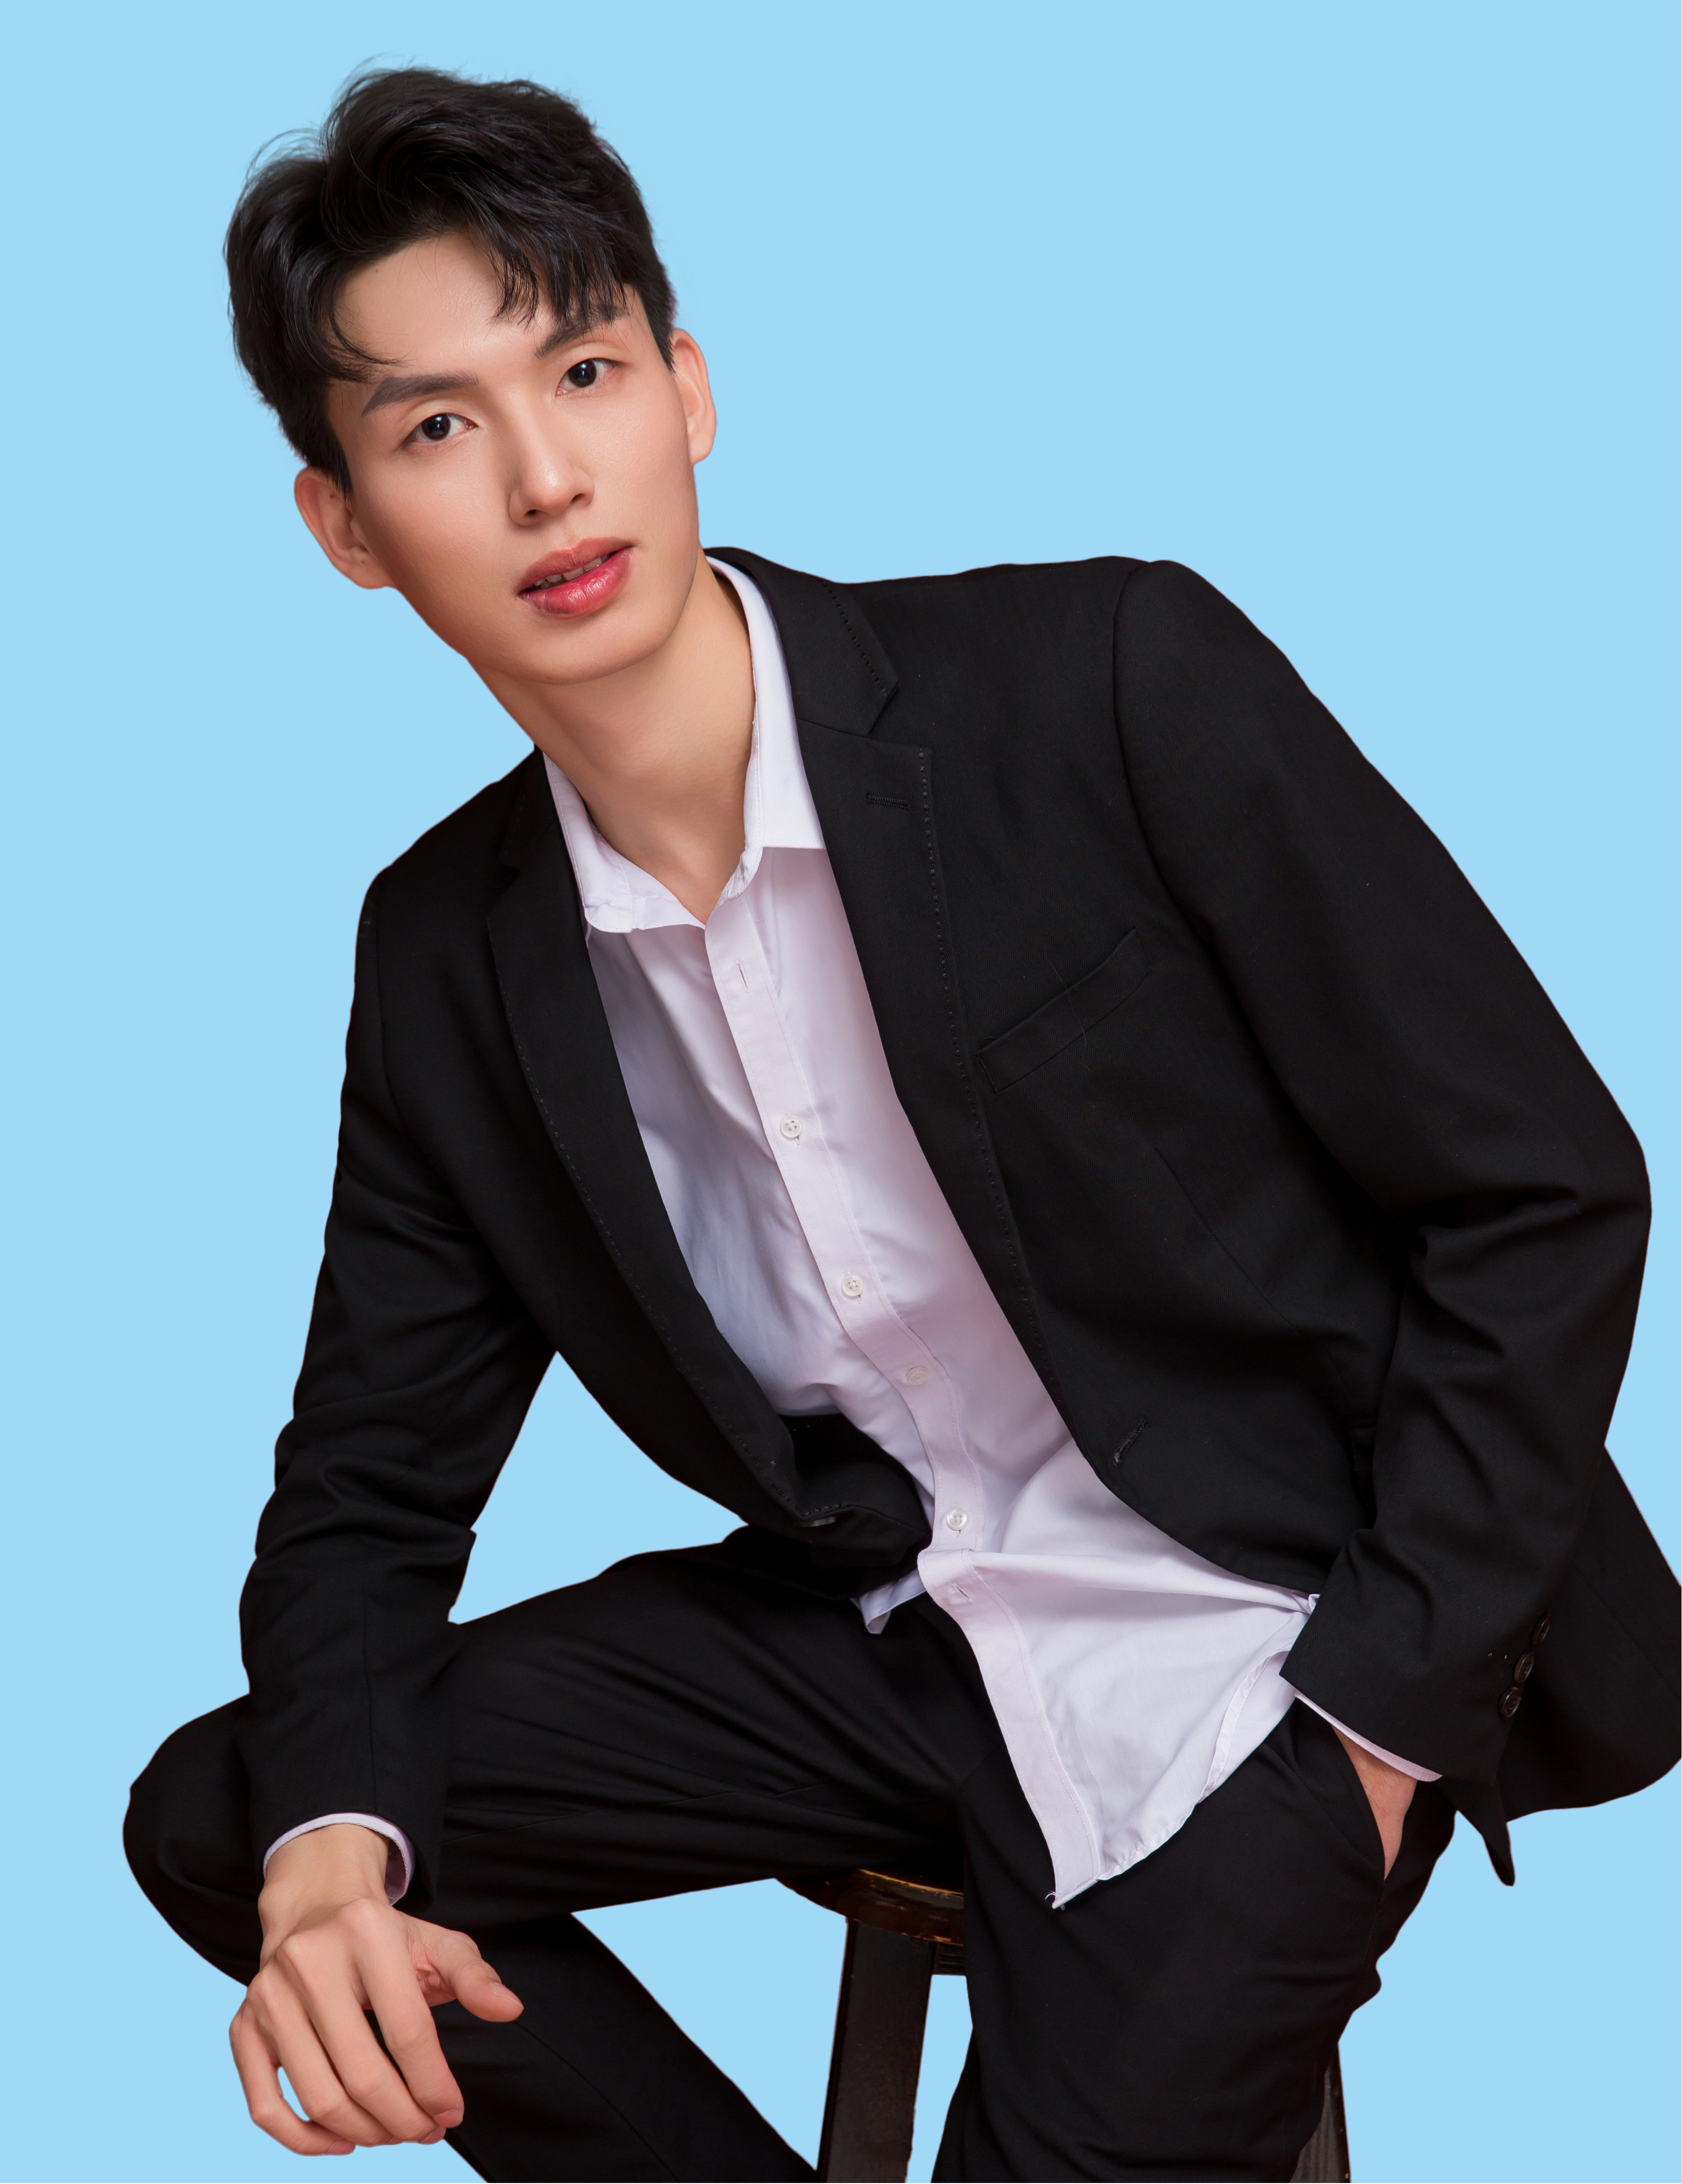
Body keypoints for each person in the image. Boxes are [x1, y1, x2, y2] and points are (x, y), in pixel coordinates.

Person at [126, 65, 1679, 2184]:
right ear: (345, 529)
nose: (545, 479)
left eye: (580, 371)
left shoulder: (1100, 681)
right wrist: (327, 1873)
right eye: (434, 429)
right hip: (882, 1625)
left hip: (1266, 1637)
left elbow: (1538, 1190)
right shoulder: (446, 948)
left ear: (685, 387)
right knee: (253, 1815)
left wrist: (1375, 1728)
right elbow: (370, 1487)